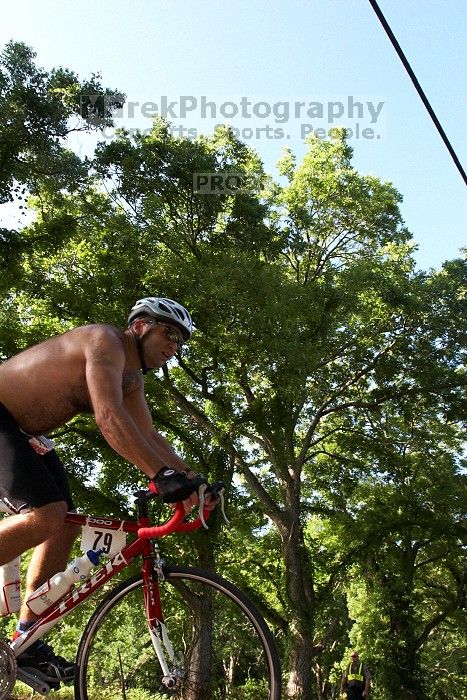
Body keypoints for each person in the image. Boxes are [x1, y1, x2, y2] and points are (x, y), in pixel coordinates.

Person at [0, 296, 213, 686]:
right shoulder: (105, 341)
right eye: (169, 333)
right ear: (140, 326)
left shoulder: (132, 378)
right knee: (45, 514)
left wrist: (191, 479)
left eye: (180, 342)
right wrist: (161, 475)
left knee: (63, 521)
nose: (173, 346)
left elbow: (148, 434)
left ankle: (27, 637)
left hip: (23, 431)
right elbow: (108, 417)